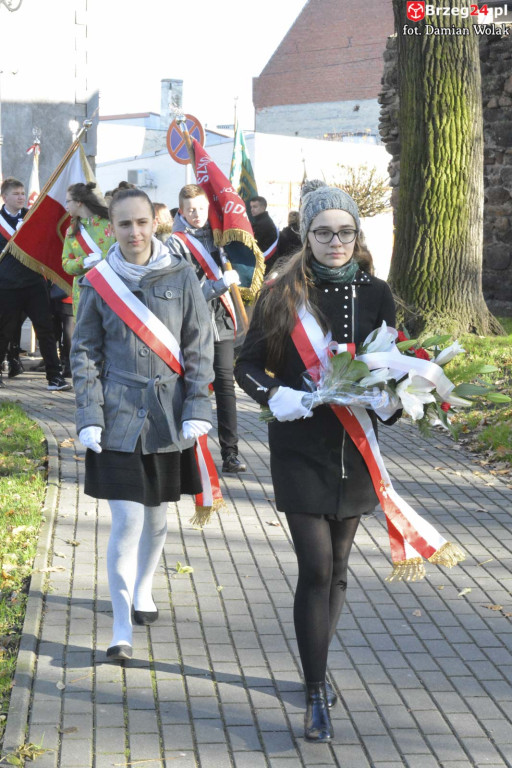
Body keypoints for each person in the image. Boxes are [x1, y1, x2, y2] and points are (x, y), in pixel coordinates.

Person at [234, 183, 398, 743]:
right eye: (324, 231)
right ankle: (313, 694)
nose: (335, 241)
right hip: (301, 446)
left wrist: (392, 401)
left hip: (354, 448)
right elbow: (246, 364)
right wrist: (272, 395)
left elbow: (396, 367)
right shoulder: (282, 292)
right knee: (317, 568)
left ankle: (317, 669)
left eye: (345, 231)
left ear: (357, 235)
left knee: (342, 568)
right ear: (307, 235)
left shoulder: (377, 293)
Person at [70, 187, 214, 661]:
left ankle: (146, 586)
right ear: (109, 227)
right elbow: (84, 353)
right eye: (123, 224)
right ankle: (119, 624)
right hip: (117, 417)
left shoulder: (181, 274)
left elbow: (198, 346)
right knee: (128, 520)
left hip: (168, 417)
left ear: (156, 221)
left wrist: (197, 407)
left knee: (156, 518)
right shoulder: (98, 282)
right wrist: (89, 416)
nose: (133, 232)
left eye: (141, 222)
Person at [168, 184, 247, 474]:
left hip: (222, 322)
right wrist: (219, 284)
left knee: (226, 386)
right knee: (191, 387)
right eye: (190, 210)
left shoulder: (220, 237)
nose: (197, 214)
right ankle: (185, 452)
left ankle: (231, 452)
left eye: (201, 208)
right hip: (192, 325)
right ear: (181, 211)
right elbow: (186, 291)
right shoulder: (174, 244)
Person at [0, 177, 70, 391]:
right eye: (16, 194)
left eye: (22, 193)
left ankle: (55, 377)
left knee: (46, 330)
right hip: (7, 285)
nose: (21, 197)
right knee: (3, 331)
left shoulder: (32, 217)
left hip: (34, 284)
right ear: (4, 197)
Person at [62, 182, 115, 316]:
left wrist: (101, 259)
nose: (66, 206)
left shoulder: (110, 224)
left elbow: (122, 254)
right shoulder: (71, 231)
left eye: (68, 201)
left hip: (111, 288)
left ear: (79, 202)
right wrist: (84, 262)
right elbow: (66, 264)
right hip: (83, 292)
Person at [266, 209, 301, 274]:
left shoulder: (283, 233)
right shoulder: (302, 233)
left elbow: (279, 250)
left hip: (284, 264)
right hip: (299, 263)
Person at [249, 195, 279, 270]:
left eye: (255, 207)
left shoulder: (263, 224)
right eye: (251, 207)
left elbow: (255, 244)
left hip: (265, 264)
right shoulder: (262, 221)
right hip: (266, 263)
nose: (252, 209)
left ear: (263, 208)